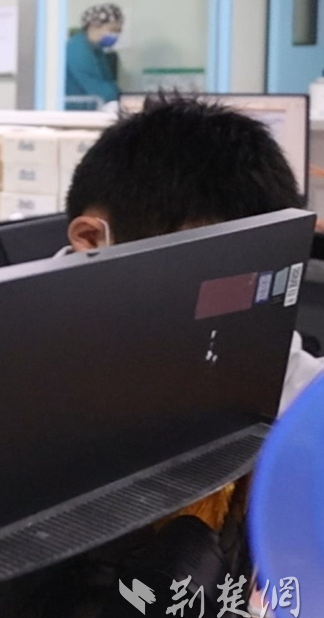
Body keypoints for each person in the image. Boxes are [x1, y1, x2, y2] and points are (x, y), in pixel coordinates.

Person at [64, 94, 323, 415]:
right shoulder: (27, 354)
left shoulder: (238, 316)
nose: (225, 296)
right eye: (201, 266)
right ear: (91, 238)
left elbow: (295, 379)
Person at [65, 2, 123, 109]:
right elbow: (100, 91)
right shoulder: (78, 50)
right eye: (112, 30)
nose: (115, 35)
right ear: (93, 27)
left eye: (118, 31)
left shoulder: (97, 50)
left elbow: (108, 81)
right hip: (74, 111)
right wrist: (122, 98)